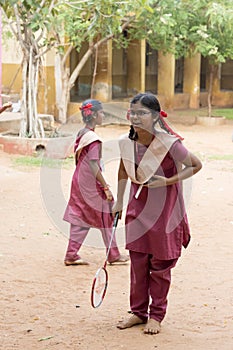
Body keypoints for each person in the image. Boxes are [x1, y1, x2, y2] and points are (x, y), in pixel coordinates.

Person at [112, 93, 202, 334]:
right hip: (137, 208)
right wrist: (119, 201)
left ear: (154, 116)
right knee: (138, 263)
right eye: (133, 112)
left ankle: (156, 316)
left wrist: (168, 181)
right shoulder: (126, 142)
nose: (136, 117)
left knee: (160, 265)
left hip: (165, 210)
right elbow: (123, 170)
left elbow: (195, 164)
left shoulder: (169, 143)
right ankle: (138, 312)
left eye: (142, 113)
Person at [63, 99, 129, 266]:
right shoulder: (93, 139)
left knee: (81, 214)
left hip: (79, 180)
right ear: (92, 115)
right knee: (106, 211)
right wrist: (105, 187)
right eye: (100, 113)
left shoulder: (82, 133)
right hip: (89, 182)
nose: (103, 115)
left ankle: (72, 254)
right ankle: (113, 254)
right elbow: (93, 165)